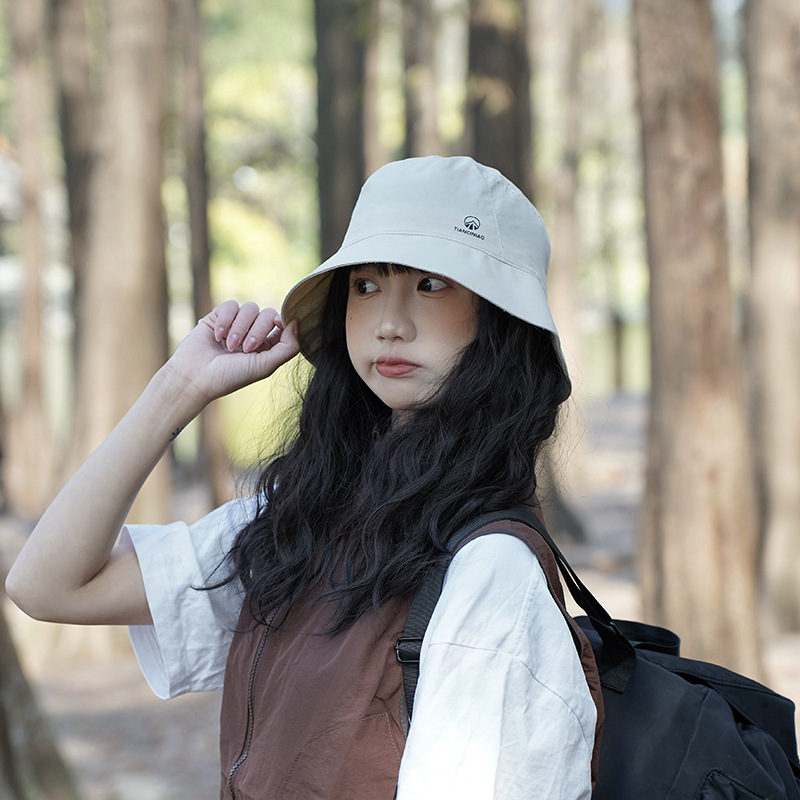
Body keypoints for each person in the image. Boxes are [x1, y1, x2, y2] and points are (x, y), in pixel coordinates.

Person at [6, 155, 602, 799]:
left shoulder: (490, 572)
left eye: (431, 285)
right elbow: (48, 586)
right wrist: (178, 389)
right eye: (366, 286)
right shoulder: (303, 525)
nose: (388, 322)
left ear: (501, 320)